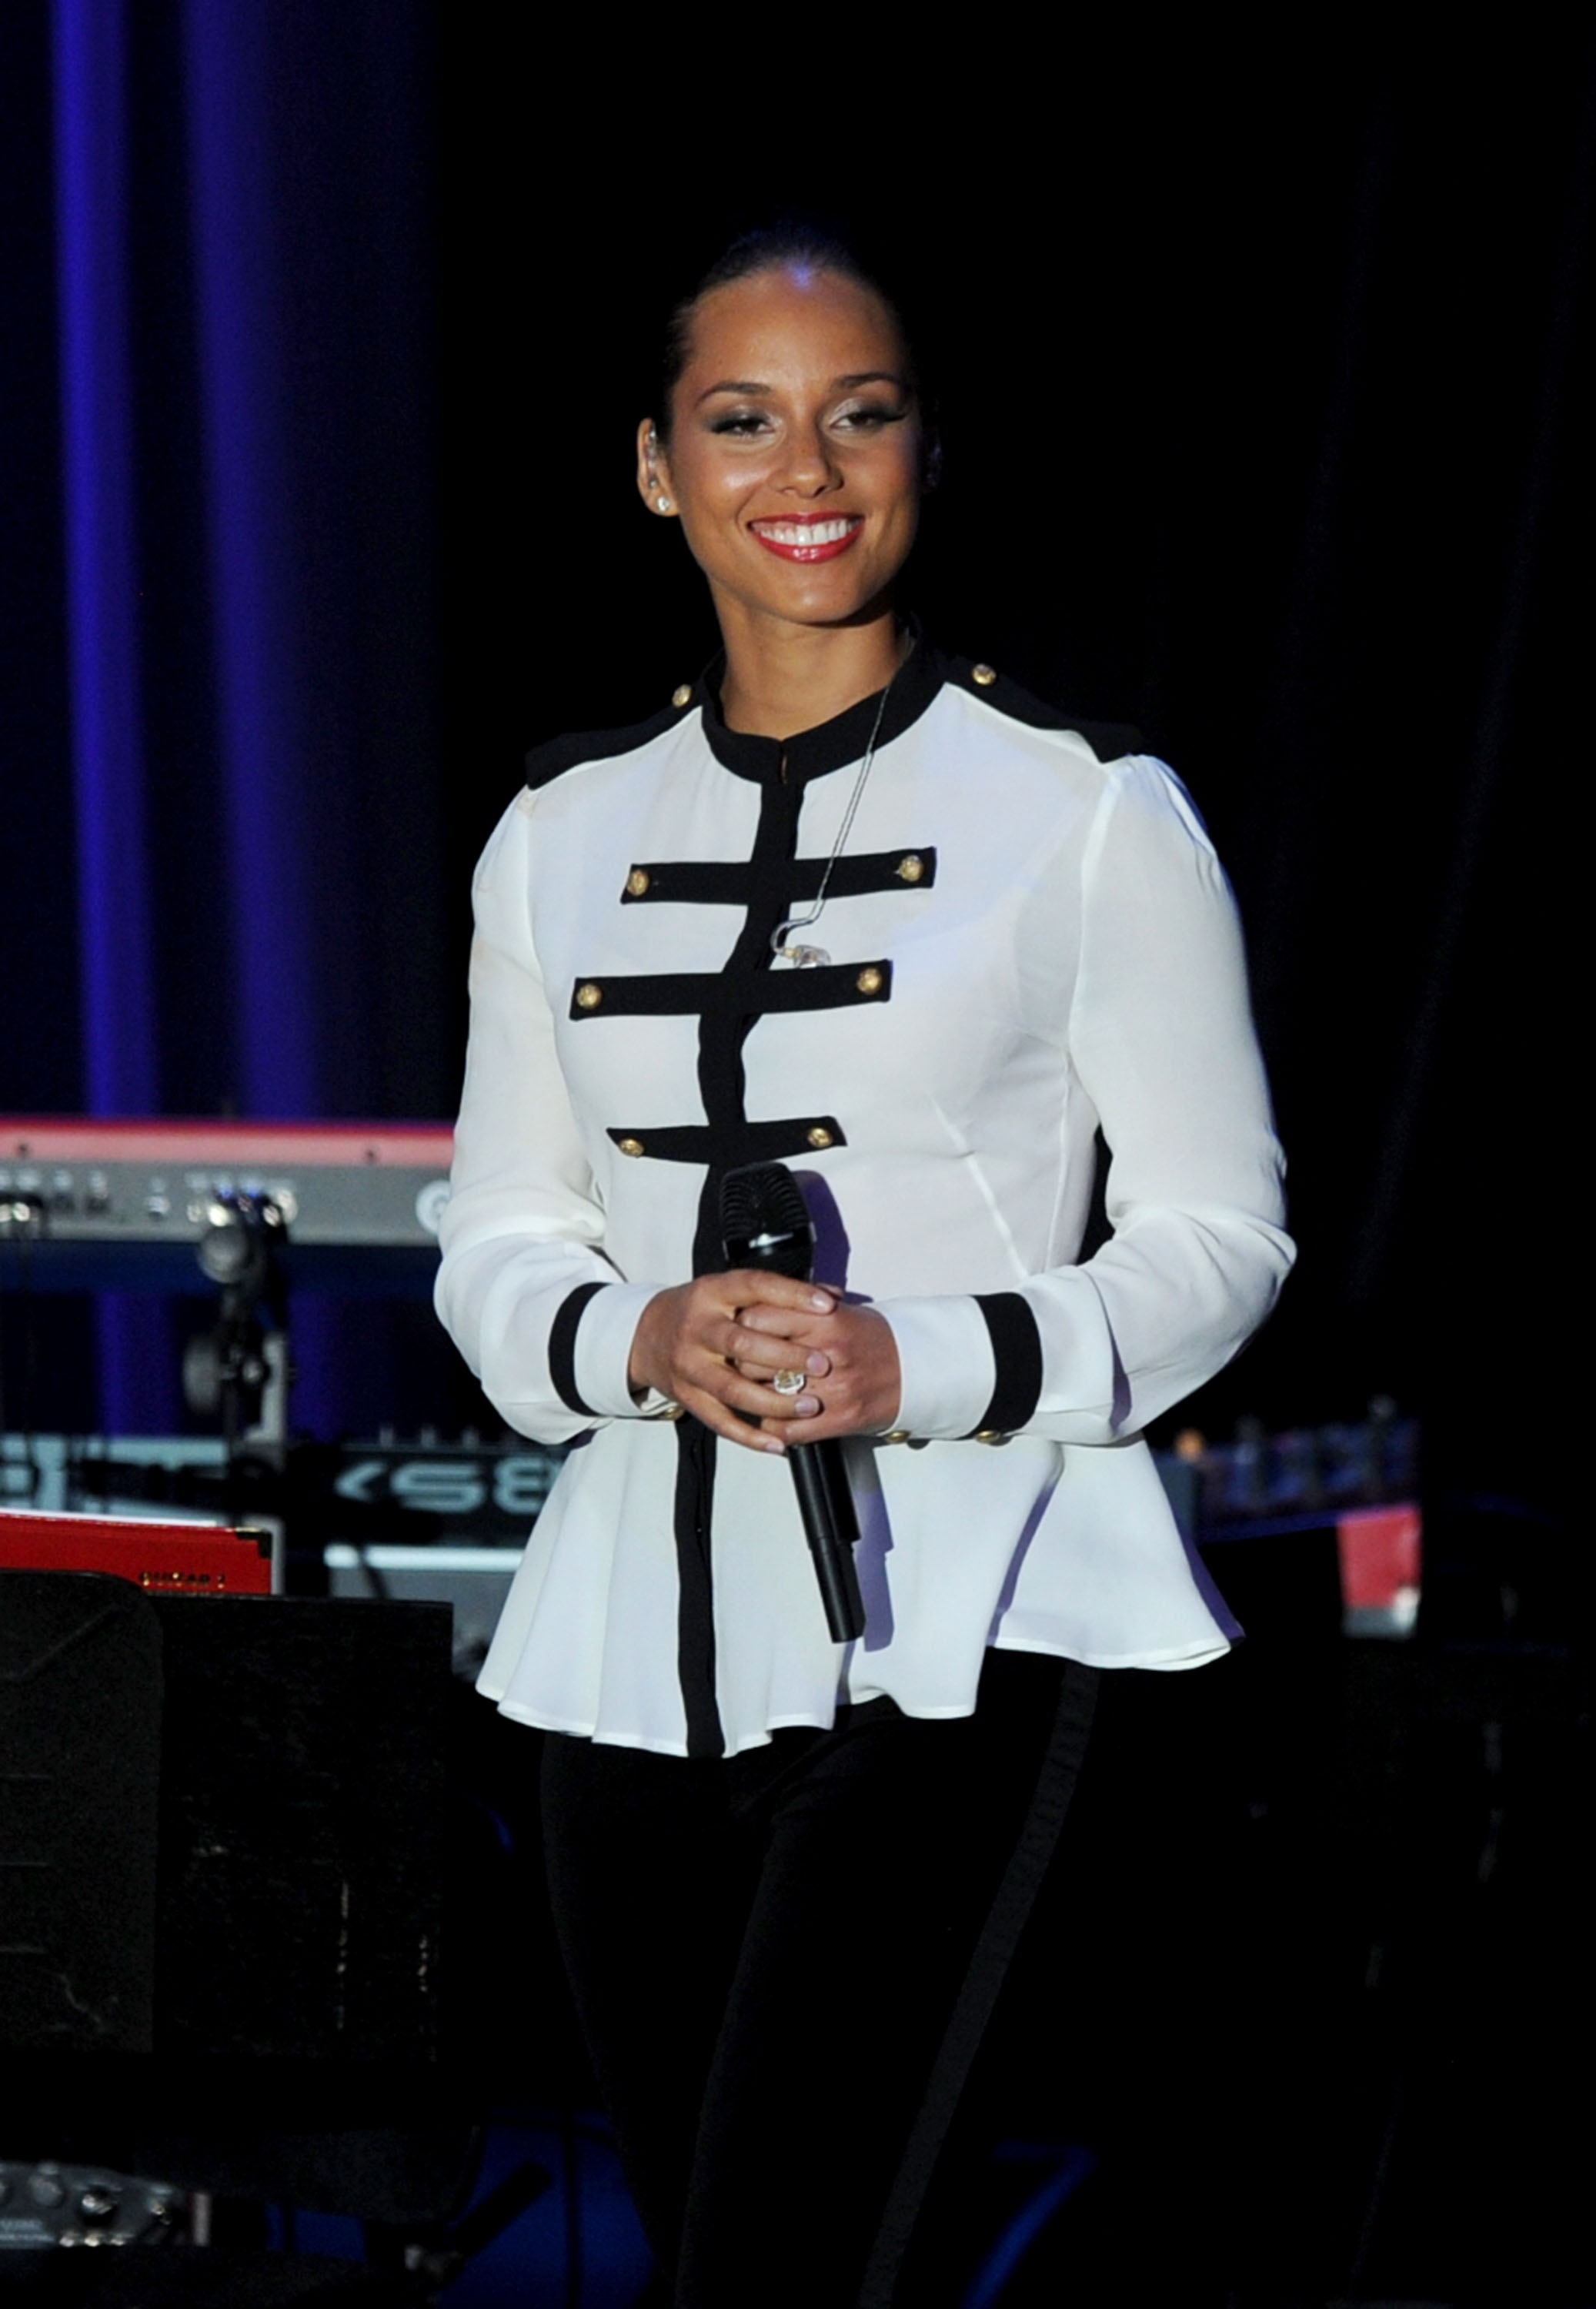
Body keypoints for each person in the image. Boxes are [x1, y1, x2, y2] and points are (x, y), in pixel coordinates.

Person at [435, 227, 1294, 2307]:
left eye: (857, 410)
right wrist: (629, 1326)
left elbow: (1217, 1231)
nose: (800, 465)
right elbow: (495, 1229)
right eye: (739, 418)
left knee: (799, 2268)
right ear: (657, 467)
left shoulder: (1086, 814)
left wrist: (929, 1362)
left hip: (980, 1624)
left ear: (922, 449)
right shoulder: (555, 831)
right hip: (628, 1647)